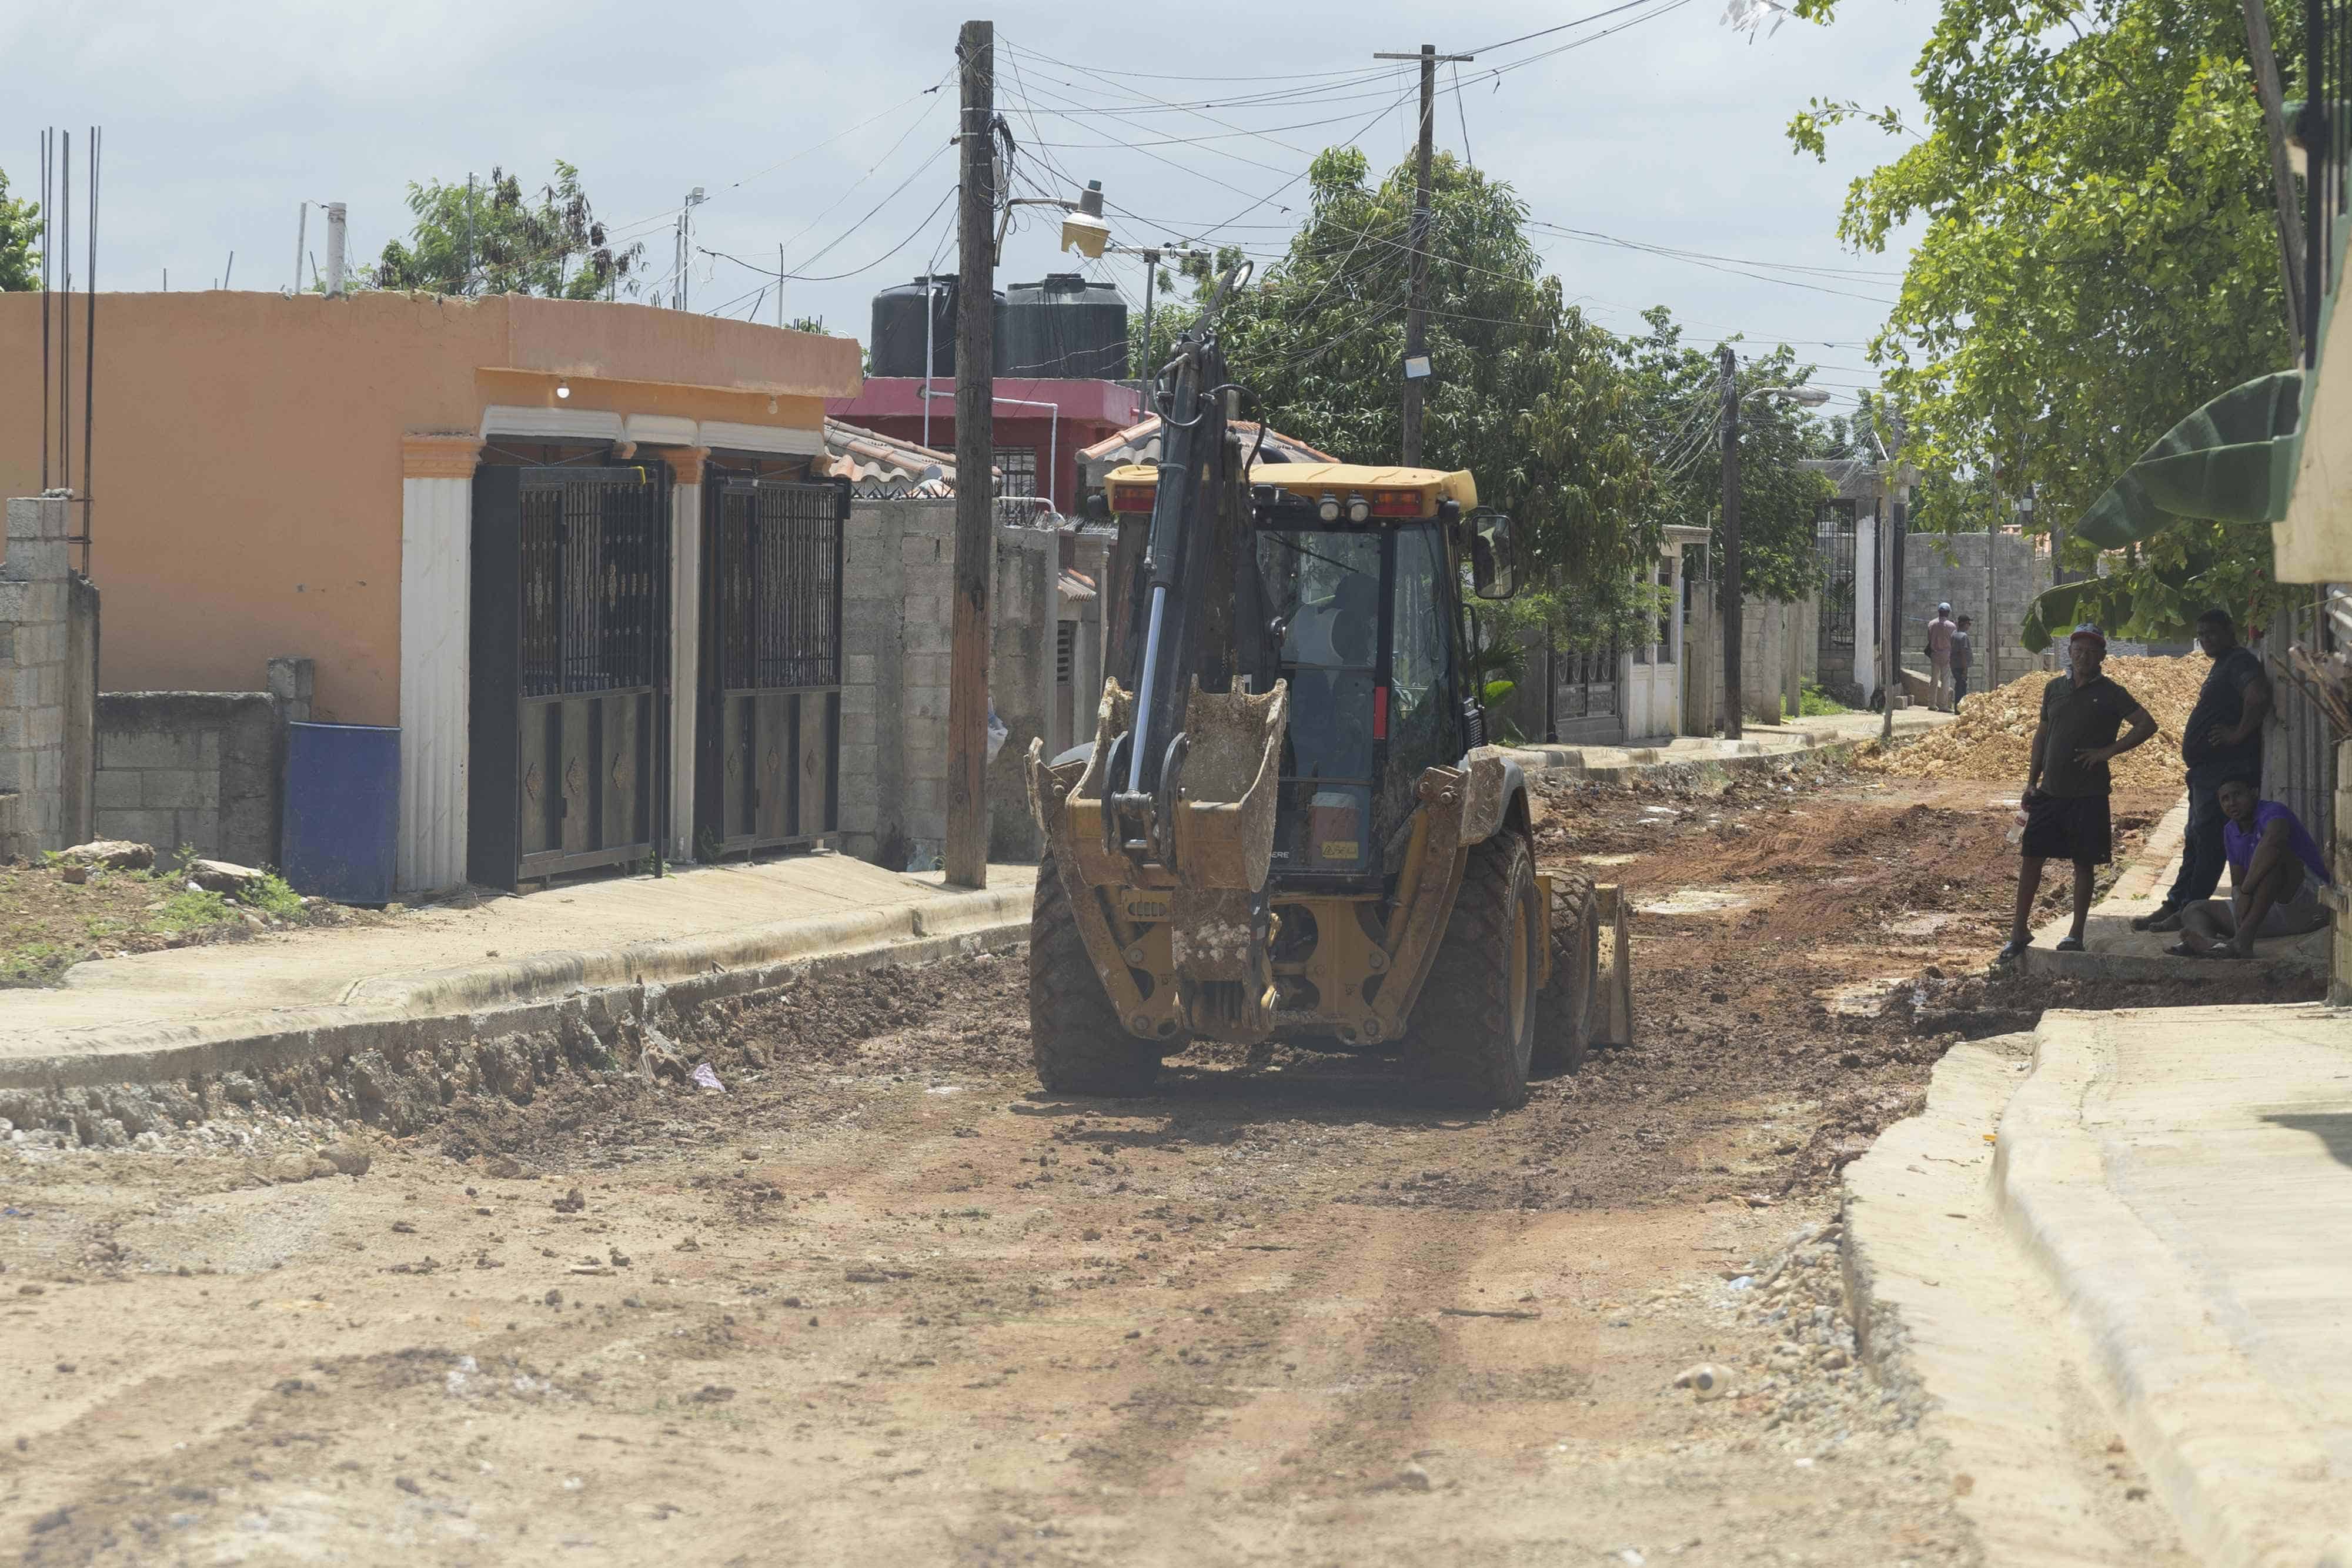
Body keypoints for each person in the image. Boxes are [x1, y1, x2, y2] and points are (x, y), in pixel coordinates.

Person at [1997, 624, 2159, 963]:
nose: (2083, 656)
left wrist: (2107, 752)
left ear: (2102, 656)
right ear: (2069, 653)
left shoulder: (2112, 693)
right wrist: (2031, 780)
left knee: (2084, 864)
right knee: (2031, 860)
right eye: (2078, 650)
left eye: (2091, 651)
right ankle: (2018, 932)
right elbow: (2042, 736)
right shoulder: (2054, 689)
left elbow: (2146, 725)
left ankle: (2076, 933)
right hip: (2050, 792)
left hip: (2089, 794)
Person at [2131, 609, 2271, 932]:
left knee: (2208, 842)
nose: (2205, 639)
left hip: (2225, 771)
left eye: (2211, 633)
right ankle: (2176, 904)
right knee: (2194, 840)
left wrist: (2237, 733)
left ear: (2229, 631)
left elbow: (2258, 695)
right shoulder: (2221, 665)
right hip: (2206, 773)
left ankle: (2190, 910)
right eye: (2201, 634)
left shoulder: (2238, 661)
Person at [2169, 779, 2332, 958]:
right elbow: (2237, 881)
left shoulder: (2273, 812)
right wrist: (2239, 897)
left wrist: (2245, 892)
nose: (2232, 803)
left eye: (2238, 795)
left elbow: (2275, 842)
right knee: (2194, 909)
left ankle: (2243, 942)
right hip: (2263, 911)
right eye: (2225, 799)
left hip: (2308, 903)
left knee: (2275, 859)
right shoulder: (2230, 831)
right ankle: (2212, 945)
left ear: (2254, 792)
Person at [1926, 603, 1958, 713]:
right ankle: (1943, 705)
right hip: (1947, 655)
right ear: (1948, 613)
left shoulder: (1931, 624)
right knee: (1945, 681)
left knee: (1934, 680)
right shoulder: (1952, 626)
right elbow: (1954, 640)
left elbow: (1929, 639)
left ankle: (1931, 704)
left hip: (1935, 654)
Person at [1950, 613, 1975, 706]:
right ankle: (1960, 708)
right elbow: (1963, 653)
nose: (1969, 626)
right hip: (1961, 666)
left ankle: (1958, 708)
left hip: (1954, 665)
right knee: (1962, 687)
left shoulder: (1954, 634)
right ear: (1965, 624)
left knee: (1959, 685)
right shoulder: (1963, 636)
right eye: (1969, 624)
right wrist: (1965, 669)